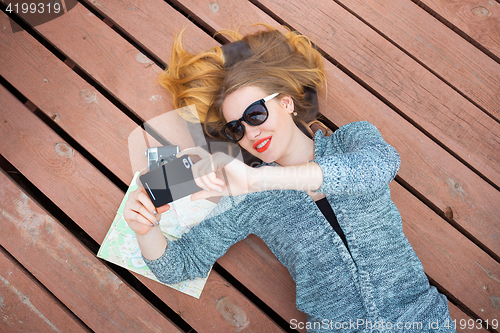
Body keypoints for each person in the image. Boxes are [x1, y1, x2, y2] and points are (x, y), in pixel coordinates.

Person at [124, 25, 455, 332]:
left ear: (286, 102)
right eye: (236, 128)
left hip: (422, 321)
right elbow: (178, 265)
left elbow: (380, 166)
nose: (250, 132)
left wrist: (260, 180)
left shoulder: (351, 140)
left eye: (255, 114)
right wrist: (145, 229)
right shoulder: (247, 196)